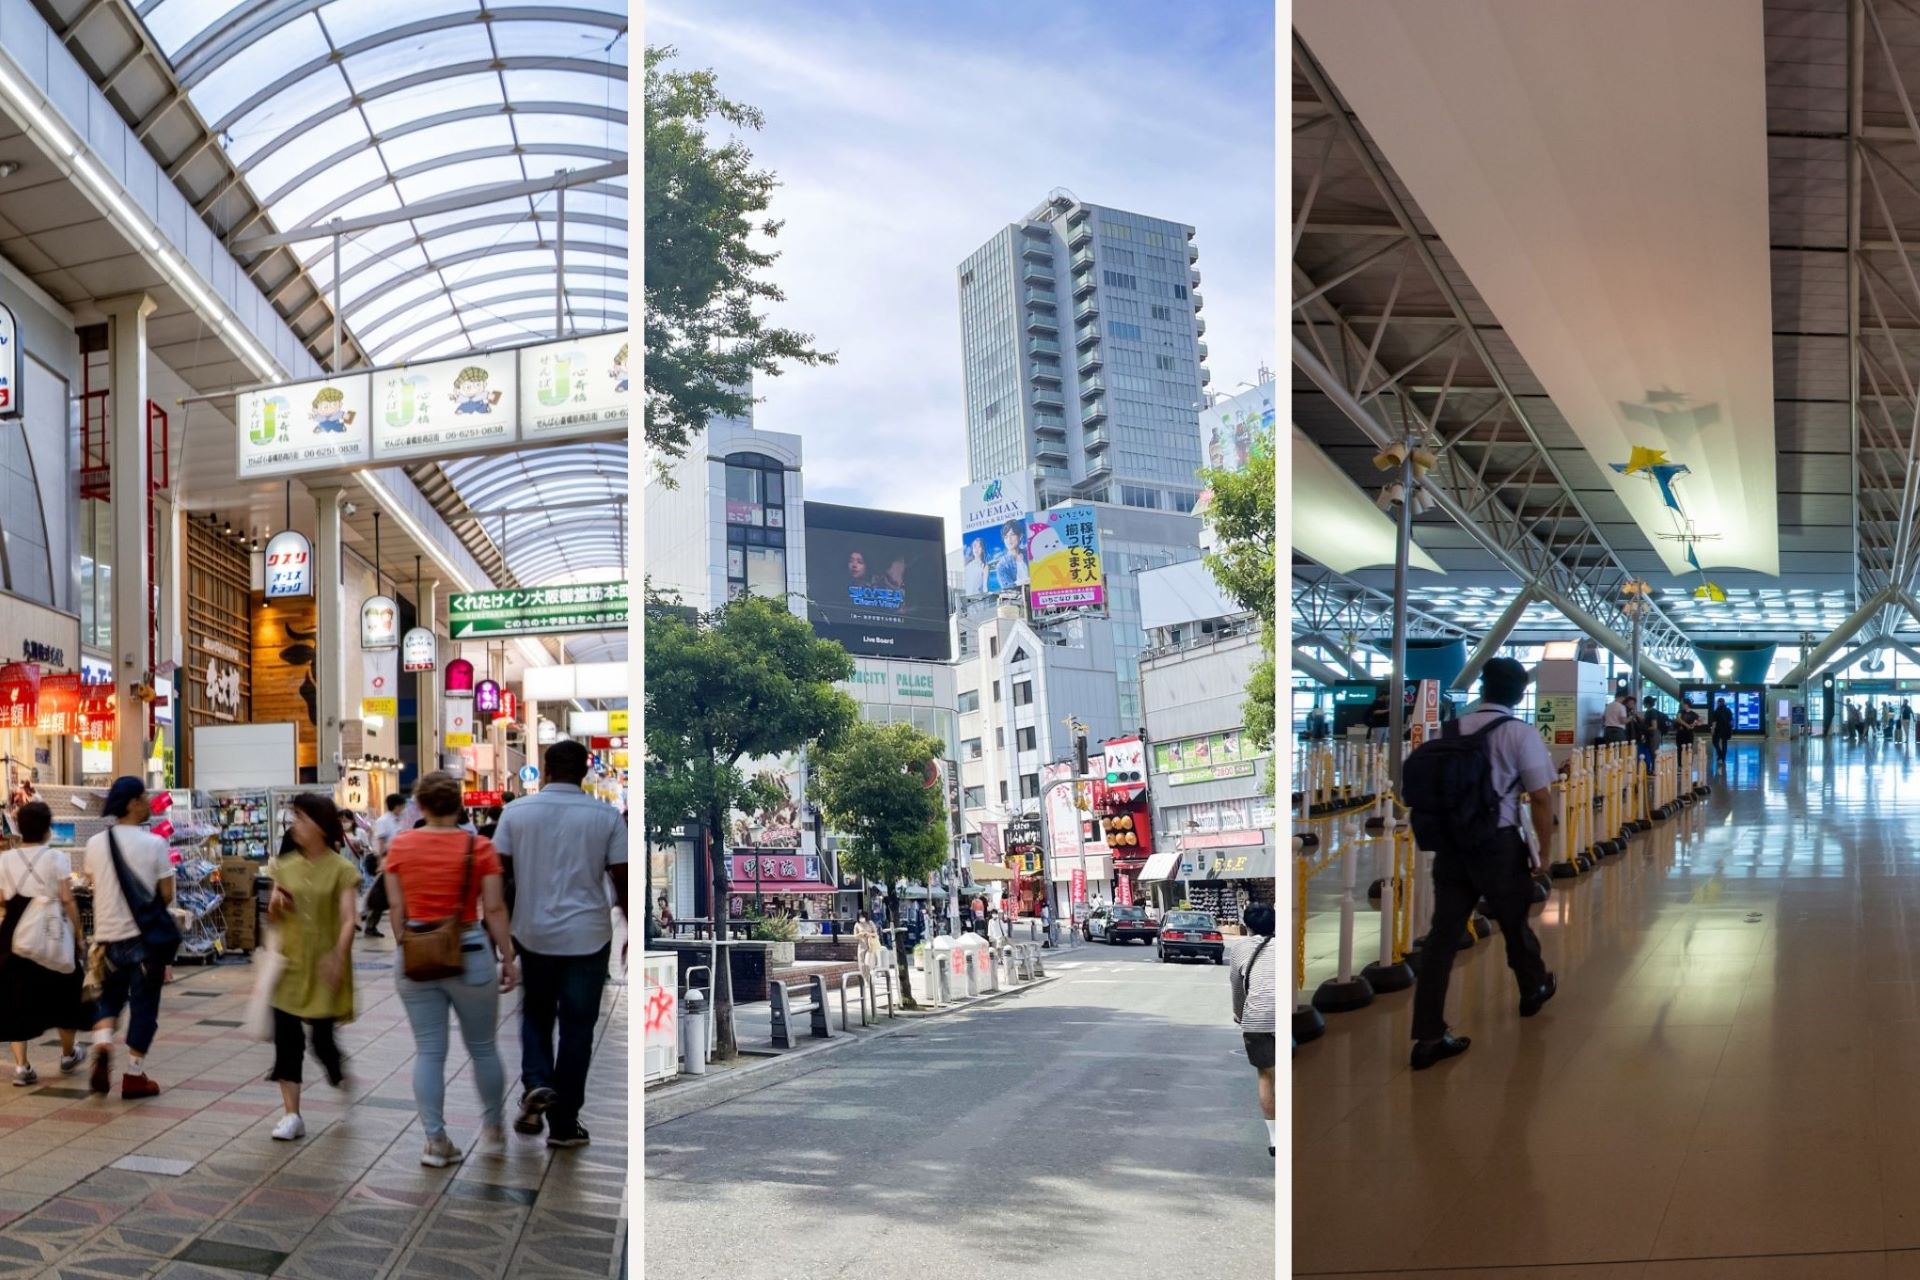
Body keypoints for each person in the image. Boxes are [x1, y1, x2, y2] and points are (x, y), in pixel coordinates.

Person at [1408, 658, 1555, 1072]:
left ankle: (1428, 1036)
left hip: (1452, 849)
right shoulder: (1518, 733)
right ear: (1520, 693)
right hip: (1499, 846)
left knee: (1442, 940)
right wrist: (1544, 851)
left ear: (1484, 689)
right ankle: (1533, 989)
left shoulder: (1449, 730)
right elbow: (1541, 798)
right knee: (1514, 924)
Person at [492, 741, 628, 1149]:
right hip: (588, 937)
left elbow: (496, 876)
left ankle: (536, 1082)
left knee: (535, 1014)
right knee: (577, 1030)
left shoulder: (515, 812)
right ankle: (565, 1122)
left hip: (533, 934)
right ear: (585, 772)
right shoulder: (605, 816)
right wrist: (630, 931)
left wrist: (496, 934)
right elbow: (621, 878)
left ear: (545, 770)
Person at [384, 771, 517, 1167]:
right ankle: (493, 1131)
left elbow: (396, 909)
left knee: (428, 1052)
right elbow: (493, 909)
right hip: (471, 951)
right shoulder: (480, 848)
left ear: (419, 806)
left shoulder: (400, 846)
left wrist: (407, 946)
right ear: (459, 804)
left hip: (416, 956)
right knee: (482, 1048)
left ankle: (435, 1141)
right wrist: (508, 957)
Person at [265, 794, 361, 1142]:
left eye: (301, 818)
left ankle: (338, 1074)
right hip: (289, 964)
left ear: (320, 825)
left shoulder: (341, 869)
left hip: (324, 965)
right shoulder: (284, 866)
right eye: (294, 818)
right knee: (287, 1041)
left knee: (322, 1041)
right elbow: (274, 918)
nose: (295, 825)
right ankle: (292, 1115)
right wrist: (276, 904)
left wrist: (338, 955)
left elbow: (350, 919)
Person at [83, 777, 173, 1098]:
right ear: (133, 803)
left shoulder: (96, 844)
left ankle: (103, 1045)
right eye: (145, 796)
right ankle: (134, 1076)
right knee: (144, 1005)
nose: (149, 802)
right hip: (143, 941)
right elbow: (167, 893)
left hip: (106, 939)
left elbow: (92, 880)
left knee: (108, 1000)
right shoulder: (154, 844)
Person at [0, 802, 86, 1085]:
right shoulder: (55, 858)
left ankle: (22, 1067)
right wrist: (79, 934)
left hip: (14, 935)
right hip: (51, 935)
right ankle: (67, 1054)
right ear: (47, 829)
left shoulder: (5, 859)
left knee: (15, 998)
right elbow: (67, 898)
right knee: (65, 991)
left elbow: (2, 900)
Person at [1229, 903, 1276, 1155]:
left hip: (1256, 1020)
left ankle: (1275, 1138)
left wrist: (1239, 1015)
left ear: (1247, 926)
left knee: (1266, 1075)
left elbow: (1238, 987)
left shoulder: (1239, 949)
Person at [362, 793, 404, 938]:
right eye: (402, 806)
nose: (403, 809)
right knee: (379, 894)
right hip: (386, 860)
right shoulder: (384, 820)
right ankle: (368, 920)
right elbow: (380, 841)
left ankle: (370, 921)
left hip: (396, 859)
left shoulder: (398, 820)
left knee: (384, 894)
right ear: (397, 806)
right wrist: (380, 861)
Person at [1711, 698, 1735, 767]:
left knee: (1715, 742)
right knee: (1724, 743)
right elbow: (1731, 720)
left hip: (1718, 729)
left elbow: (1714, 722)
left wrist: (1712, 729)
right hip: (1726, 729)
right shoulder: (1728, 710)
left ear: (1718, 703)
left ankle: (1720, 755)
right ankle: (1723, 758)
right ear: (1724, 702)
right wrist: (1731, 728)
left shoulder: (1716, 711)